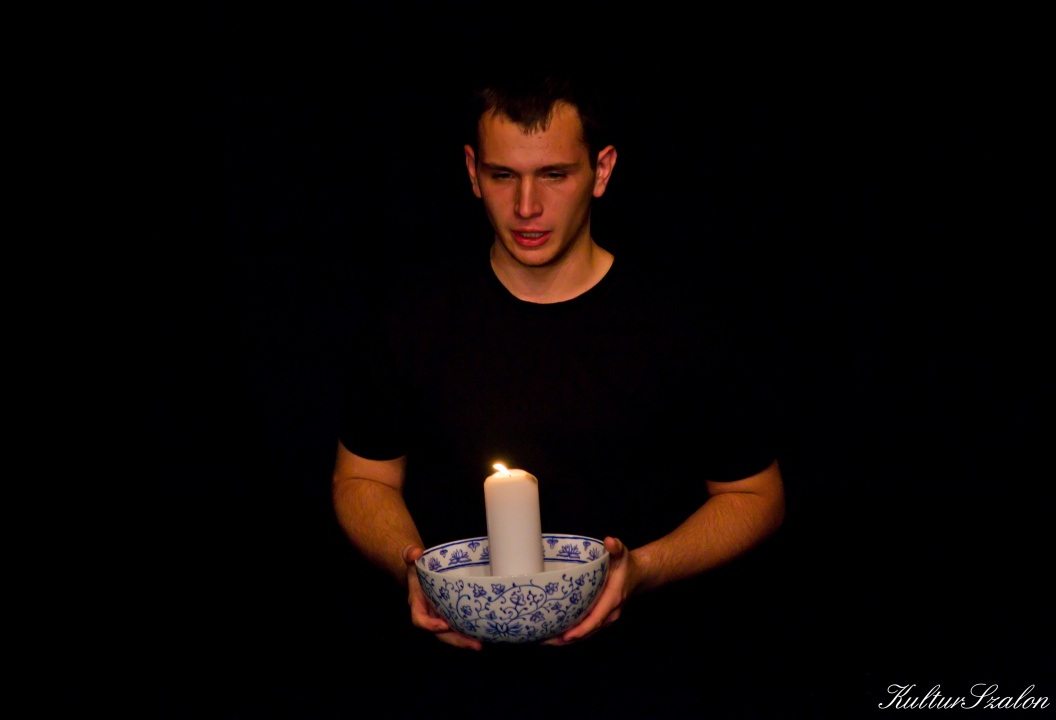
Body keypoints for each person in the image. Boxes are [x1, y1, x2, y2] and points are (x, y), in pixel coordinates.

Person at [332, 67, 786, 679]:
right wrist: (410, 567)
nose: (527, 207)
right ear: (472, 172)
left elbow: (756, 497)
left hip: (647, 675)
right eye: (503, 176)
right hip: (447, 677)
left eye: (554, 175)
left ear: (601, 171)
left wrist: (643, 570)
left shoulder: (679, 323)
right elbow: (362, 478)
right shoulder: (412, 316)